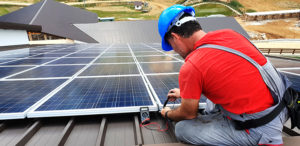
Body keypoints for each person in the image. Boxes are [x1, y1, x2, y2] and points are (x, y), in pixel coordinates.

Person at [158, 5, 290, 145]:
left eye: (171, 45)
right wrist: (185, 93)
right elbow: (226, 77)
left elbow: (188, 114)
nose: (174, 50)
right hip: (282, 109)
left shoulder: (192, 65)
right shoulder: (230, 34)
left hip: (261, 129)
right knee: (210, 100)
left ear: (175, 37)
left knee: (182, 129)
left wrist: (167, 113)